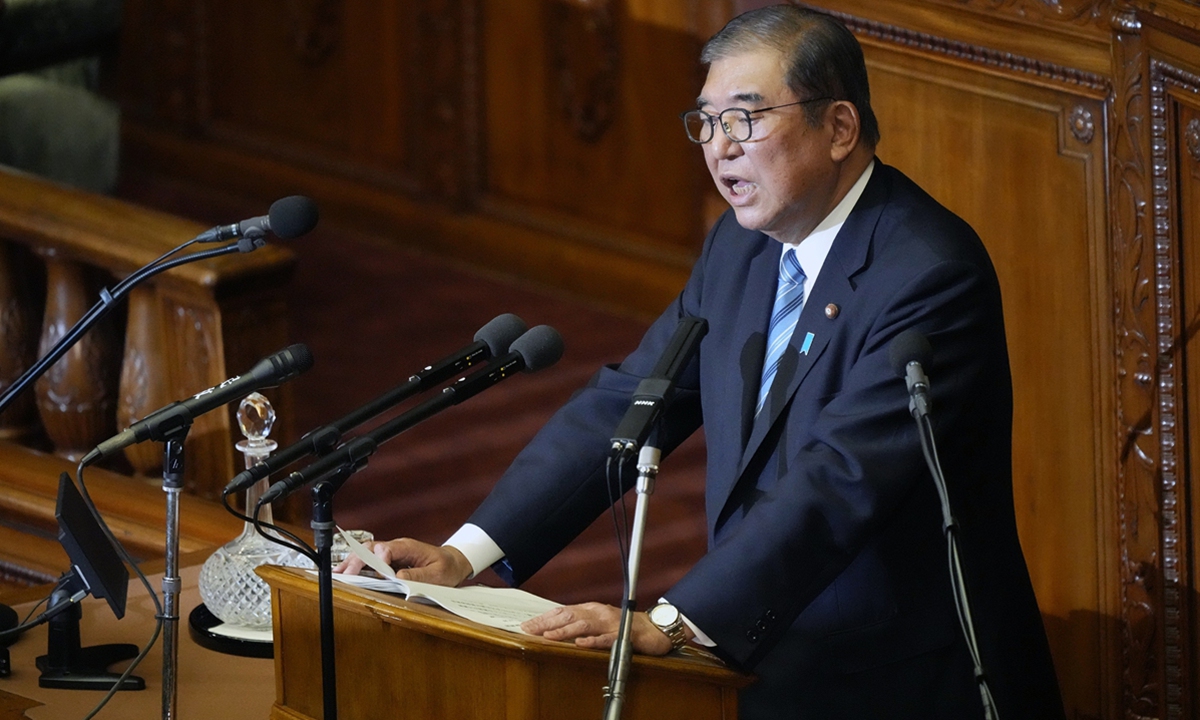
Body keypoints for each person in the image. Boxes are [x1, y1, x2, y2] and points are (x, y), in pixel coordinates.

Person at [340, 5, 1065, 718]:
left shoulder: (929, 274)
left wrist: (679, 620)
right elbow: (629, 404)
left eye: (746, 118)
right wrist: (466, 555)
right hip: (759, 651)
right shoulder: (741, 248)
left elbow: (840, 481)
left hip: (896, 678)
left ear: (839, 127)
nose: (720, 147)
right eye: (707, 122)